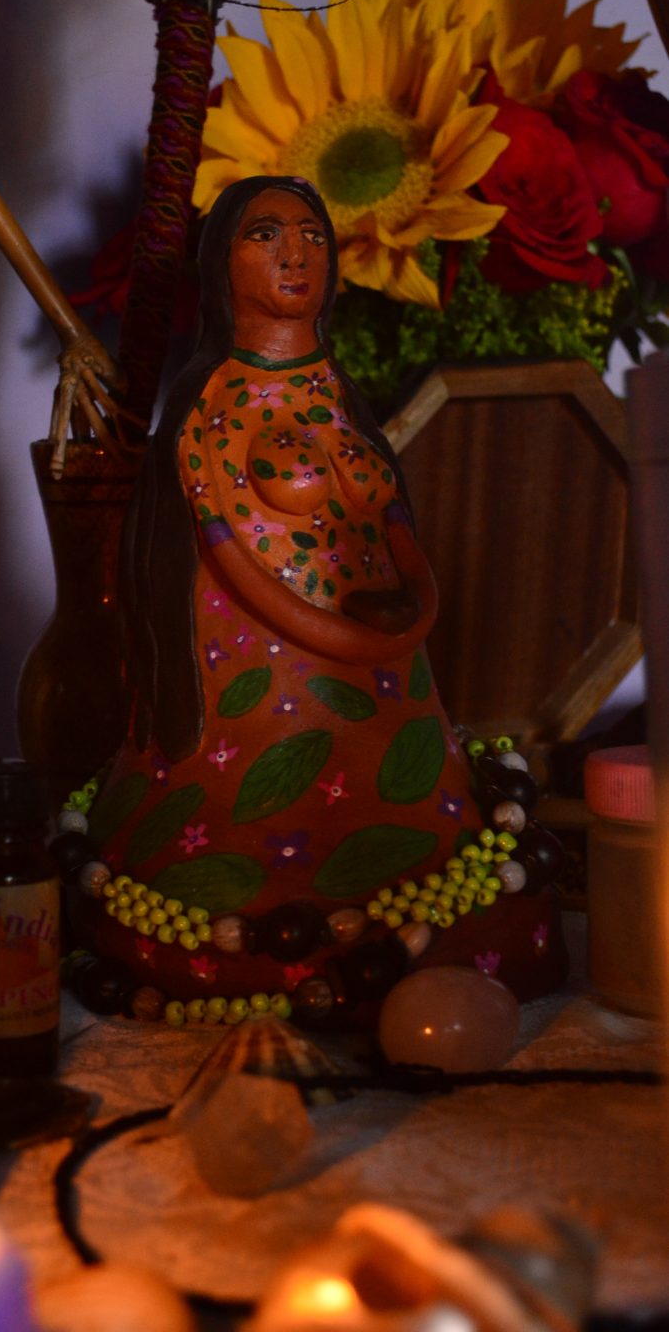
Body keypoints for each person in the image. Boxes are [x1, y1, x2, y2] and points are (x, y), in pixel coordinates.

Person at [82, 177, 564, 1015]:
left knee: (428, 840)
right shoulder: (210, 404)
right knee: (246, 835)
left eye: (312, 235)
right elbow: (222, 547)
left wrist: (401, 618)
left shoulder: (337, 391)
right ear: (219, 262)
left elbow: (389, 515)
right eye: (264, 235)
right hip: (254, 696)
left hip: (385, 690)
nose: (295, 254)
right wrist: (337, 636)